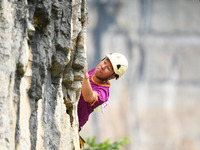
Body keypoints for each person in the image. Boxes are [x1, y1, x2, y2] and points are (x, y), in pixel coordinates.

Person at [78, 52, 128, 130]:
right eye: (104, 62)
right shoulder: (96, 72)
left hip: (73, 123)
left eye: (108, 68)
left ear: (113, 77)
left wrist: (85, 76)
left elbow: (89, 98)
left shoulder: (103, 93)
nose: (103, 67)